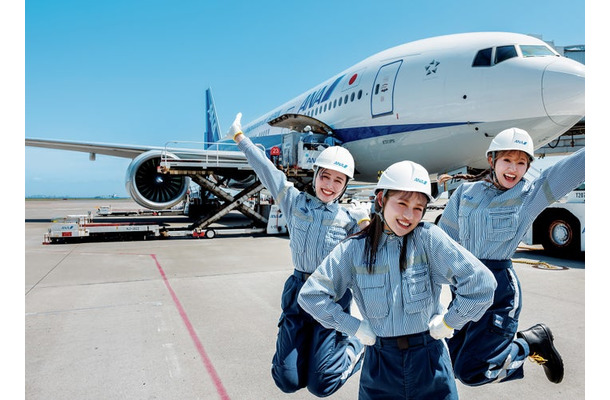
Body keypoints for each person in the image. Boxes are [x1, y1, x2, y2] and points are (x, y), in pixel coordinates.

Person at [298, 160, 497, 400]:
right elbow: (311, 295)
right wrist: (354, 327)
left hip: (430, 362)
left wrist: (450, 322)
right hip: (380, 367)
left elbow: (481, 283)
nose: (408, 215)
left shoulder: (429, 239)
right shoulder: (354, 249)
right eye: (401, 203)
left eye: (418, 208)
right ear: (381, 200)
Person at [228, 113, 370, 397]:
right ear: (315, 176)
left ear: (345, 186)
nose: (329, 185)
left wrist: (366, 222)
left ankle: (355, 347)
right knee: (287, 381)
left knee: (321, 385)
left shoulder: (349, 219)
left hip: (331, 297)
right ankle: (312, 353)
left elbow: (374, 251)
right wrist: (240, 139)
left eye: (337, 181)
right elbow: (266, 170)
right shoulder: (295, 203)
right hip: (297, 290)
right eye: (325, 176)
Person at [437, 127, 585, 385]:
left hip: (499, 290)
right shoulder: (466, 193)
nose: (513, 169)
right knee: (451, 363)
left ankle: (531, 343)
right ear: (491, 160)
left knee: (475, 373)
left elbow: (575, 167)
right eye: (507, 160)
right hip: (464, 288)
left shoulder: (530, 194)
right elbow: (442, 240)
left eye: (521, 162)